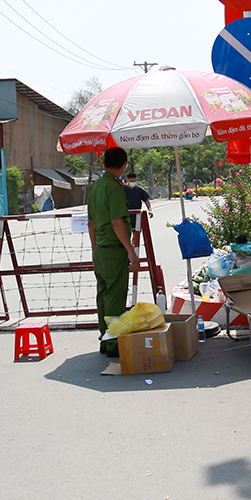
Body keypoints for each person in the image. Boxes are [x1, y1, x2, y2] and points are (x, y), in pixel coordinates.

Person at [86, 146, 136, 357]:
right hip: (114, 251)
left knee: (104, 296)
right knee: (115, 298)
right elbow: (117, 223)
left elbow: (90, 223)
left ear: (104, 163)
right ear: (124, 165)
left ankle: (104, 339)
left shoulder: (96, 186)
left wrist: (94, 248)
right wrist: (131, 251)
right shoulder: (114, 187)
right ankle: (114, 344)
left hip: (100, 250)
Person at [123, 172, 152, 246]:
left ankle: (134, 249)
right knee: (125, 235)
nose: (132, 183)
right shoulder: (122, 190)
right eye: (131, 181)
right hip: (125, 216)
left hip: (136, 217)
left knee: (136, 234)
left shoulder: (139, 190)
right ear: (127, 180)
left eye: (134, 181)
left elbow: (146, 200)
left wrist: (150, 209)